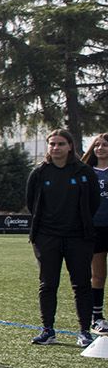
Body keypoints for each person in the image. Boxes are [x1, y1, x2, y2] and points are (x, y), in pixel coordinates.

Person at [25, 129, 98, 348]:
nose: (55, 148)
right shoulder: (39, 173)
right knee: (48, 284)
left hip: (79, 237)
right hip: (47, 238)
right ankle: (48, 330)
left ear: (70, 146)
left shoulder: (84, 172)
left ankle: (85, 331)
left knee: (82, 284)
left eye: (60, 144)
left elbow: (94, 202)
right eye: (52, 144)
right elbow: (31, 203)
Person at [86, 132, 108, 335]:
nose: (100, 148)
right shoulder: (87, 172)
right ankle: (97, 318)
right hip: (95, 229)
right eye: (97, 145)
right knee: (98, 275)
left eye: (105, 145)